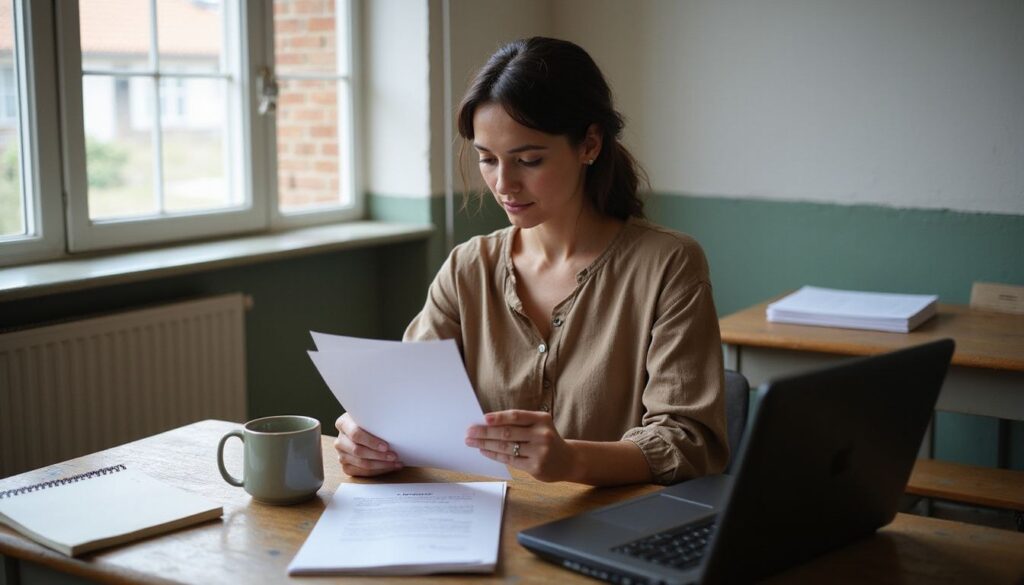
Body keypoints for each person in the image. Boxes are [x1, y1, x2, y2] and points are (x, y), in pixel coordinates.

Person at [334, 37, 727, 486]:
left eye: (529, 160)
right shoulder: (468, 268)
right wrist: (364, 434)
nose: (504, 184)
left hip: (614, 529)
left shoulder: (669, 265)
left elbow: (688, 440)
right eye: (487, 160)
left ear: (590, 144)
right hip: (486, 521)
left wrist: (573, 462)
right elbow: (401, 404)